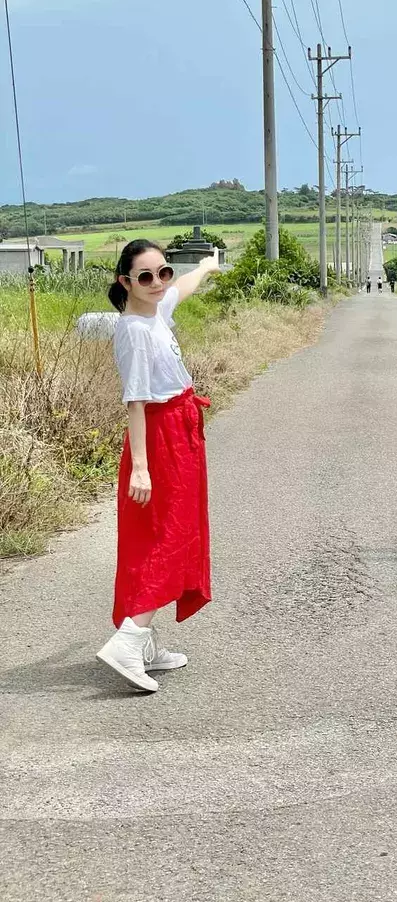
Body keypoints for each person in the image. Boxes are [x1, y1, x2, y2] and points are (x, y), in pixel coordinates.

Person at [96, 240, 219, 694]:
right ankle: (128, 640)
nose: (157, 283)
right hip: (160, 437)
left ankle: (143, 643)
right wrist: (141, 468)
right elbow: (137, 401)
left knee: (166, 533)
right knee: (167, 536)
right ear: (125, 282)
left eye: (162, 272)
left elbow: (181, 289)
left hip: (179, 432)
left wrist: (205, 267)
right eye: (144, 276)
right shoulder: (133, 330)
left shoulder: (155, 312)